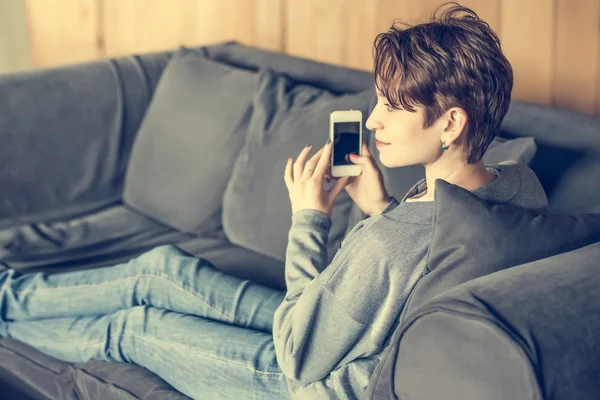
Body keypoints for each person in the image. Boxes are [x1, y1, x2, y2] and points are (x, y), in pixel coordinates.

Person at [0, 3, 549, 399]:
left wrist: (309, 219)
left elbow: (296, 352)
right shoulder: (519, 184)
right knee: (161, 270)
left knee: (132, 329)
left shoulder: (393, 244)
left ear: (451, 122)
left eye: (395, 106)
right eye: (378, 98)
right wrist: (378, 207)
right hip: (353, 339)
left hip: (315, 381)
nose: (374, 118)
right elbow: (423, 270)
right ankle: (9, 292)